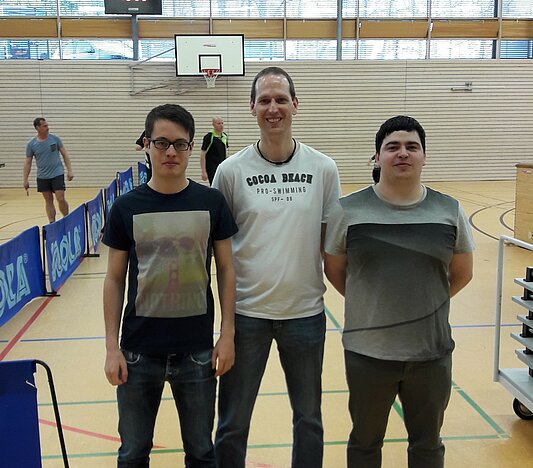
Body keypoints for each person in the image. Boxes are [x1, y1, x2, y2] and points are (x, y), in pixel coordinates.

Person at [324, 115, 475, 468]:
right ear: (377, 157)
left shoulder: (449, 210)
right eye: (392, 147)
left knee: (427, 445)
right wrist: (372, 304)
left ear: (424, 156)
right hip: (367, 354)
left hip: (431, 354)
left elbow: (462, 273)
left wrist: (423, 305)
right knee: (364, 443)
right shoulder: (348, 210)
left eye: (412, 147)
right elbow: (335, 270)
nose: (402, 153)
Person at [212, 67, 341, 468]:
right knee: (232, 423)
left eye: (281, 99)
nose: (273, 108)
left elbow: (331, 245)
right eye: (265, 100)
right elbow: (219, 253)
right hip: (246, 317)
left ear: (295, 105)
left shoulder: (324, 169)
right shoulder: (230, 172)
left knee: (309, 420)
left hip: (305, 316)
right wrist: (225, 326)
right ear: (251, 107)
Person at [103, 104, 238, 467]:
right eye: (161, 143)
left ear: (192, 148)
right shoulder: (126, 207)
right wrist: (112, 347)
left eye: (180, 144)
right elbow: (114, 279)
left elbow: (227, 269)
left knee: (201, 453)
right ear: (147, 144)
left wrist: (227, 334)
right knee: (133, 454)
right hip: (137, 353)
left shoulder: (211, 202)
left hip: (197, 353)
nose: (171, 152)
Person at [23, 118, 74, 223]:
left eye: (47, 125)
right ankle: (52, 223)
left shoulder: (55, 139)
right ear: (38, 128)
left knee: (60, 197)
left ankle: (67, 218)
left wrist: (70, 170)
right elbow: (28, 162)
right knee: (48, 200)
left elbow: (65, 155)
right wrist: (25, 179)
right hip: (42, 176)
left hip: (57, 173)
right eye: (44, 126)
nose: (47, 128)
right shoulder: (31, 144)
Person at [200, 116, 228, 185]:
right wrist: (203, 171)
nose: (221, 125)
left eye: (222, 123)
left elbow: (225, 151)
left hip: (222, 166)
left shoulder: (224, 136)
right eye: (219, 123)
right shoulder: (209, 137)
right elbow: (202, 154)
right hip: (212, 167)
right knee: (214, 186)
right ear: (213, 125)